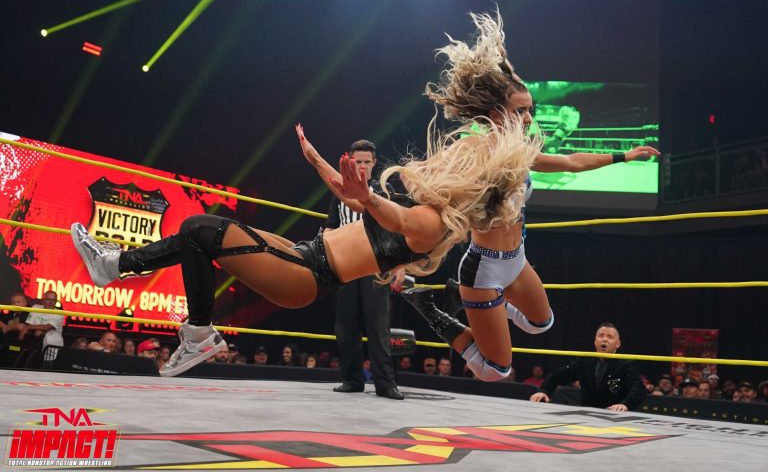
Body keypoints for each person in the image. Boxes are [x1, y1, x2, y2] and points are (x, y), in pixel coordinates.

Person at [71, 119, 537, 377]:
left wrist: (368, 196)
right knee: (198, 235)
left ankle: (140, 287)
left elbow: (387, 216)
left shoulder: (430, 222)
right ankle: (146, 291)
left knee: (199, 228)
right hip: (304, 254)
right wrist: (316, 160)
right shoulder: (422, 207)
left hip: (308, 275)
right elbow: (353, 197)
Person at [401, 9, 659, 383]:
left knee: (542, 323)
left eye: (530, 110)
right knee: (495, 370)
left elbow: (571, 162)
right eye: (521, 111)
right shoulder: (474, 150)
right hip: (484, 267)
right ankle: (431, 309)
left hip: (516, 258)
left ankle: (460, 298)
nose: (527, 118)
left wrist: (624, 156)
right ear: (496, 113)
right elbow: (431, 184)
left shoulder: (519, 151)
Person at [324, 139, 404, 400]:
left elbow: (399, 230)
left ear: (374, 163)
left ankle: (385, 384)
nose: (361, 166)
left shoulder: (384, 191)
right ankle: (352, 380)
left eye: (366, 162)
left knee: (378, 326)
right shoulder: (339, 192)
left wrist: (401, 267)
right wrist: (328, 260)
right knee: (346, 327)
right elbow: (330, 228)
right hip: (346, 266)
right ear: (350, 162)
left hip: (376, 267)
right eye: (357, 161)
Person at [529, 323, 646, 411]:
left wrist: (625, 404)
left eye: (610, 337)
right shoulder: (585, 361)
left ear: (618, 344)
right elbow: (558, 375)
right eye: (601, 336)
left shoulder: (626, 364)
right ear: (595, 341)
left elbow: (638, 389)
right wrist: (544, 391)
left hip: (615, 416)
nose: (604, 339)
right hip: (588, 416)